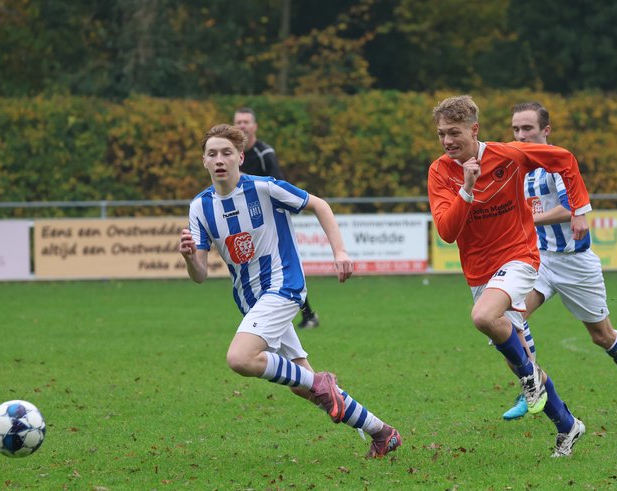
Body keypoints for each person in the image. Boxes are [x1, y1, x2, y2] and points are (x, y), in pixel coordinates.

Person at [179, 123, 401, 459]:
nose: (219, 159)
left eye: (226, 152)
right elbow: (199, 274)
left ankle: (323, 384)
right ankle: (382, 433)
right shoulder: (200, 207)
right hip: (251, 302)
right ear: (204, 161)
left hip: (283, 287)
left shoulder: (264, 188)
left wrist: (340, 252)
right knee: (304, 384)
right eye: (212, 153)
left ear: (241, 156)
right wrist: (187, 257)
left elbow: (320, 205)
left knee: (240, 358)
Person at [428, 95, 587, 457]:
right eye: (441, 134)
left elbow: (564, 160)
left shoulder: (511, 155)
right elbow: (447, 232)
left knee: (484, 317)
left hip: (519, 257)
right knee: (521, 360)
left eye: (454, 132)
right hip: (479, 273)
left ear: (474, 129)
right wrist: (466, 189)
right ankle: (568, 426)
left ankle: (531, 378)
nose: (447, 141)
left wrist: (580, 208)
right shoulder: (440, 172)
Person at [501, 102, 617, 423]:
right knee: (508, 318)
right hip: (539, 260)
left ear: (546, 131)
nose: (521, 135)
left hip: (576, 263)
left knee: (602, 336)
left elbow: (569, 205)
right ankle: (533, 385)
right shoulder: (518, 168)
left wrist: (535, 219)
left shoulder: (557, 164)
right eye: (516, 129)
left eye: (527, 128)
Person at [233, 107, 320, 329]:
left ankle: (307, 314)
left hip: (270, 219)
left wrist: (248, 180)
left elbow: (279, 183)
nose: (242, 126)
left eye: (246, 122)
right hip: (246, 220)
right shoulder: (231, 154)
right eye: (238, 122)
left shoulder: (264, 153)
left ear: (254, 127)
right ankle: (267, 315)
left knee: (281, 270)